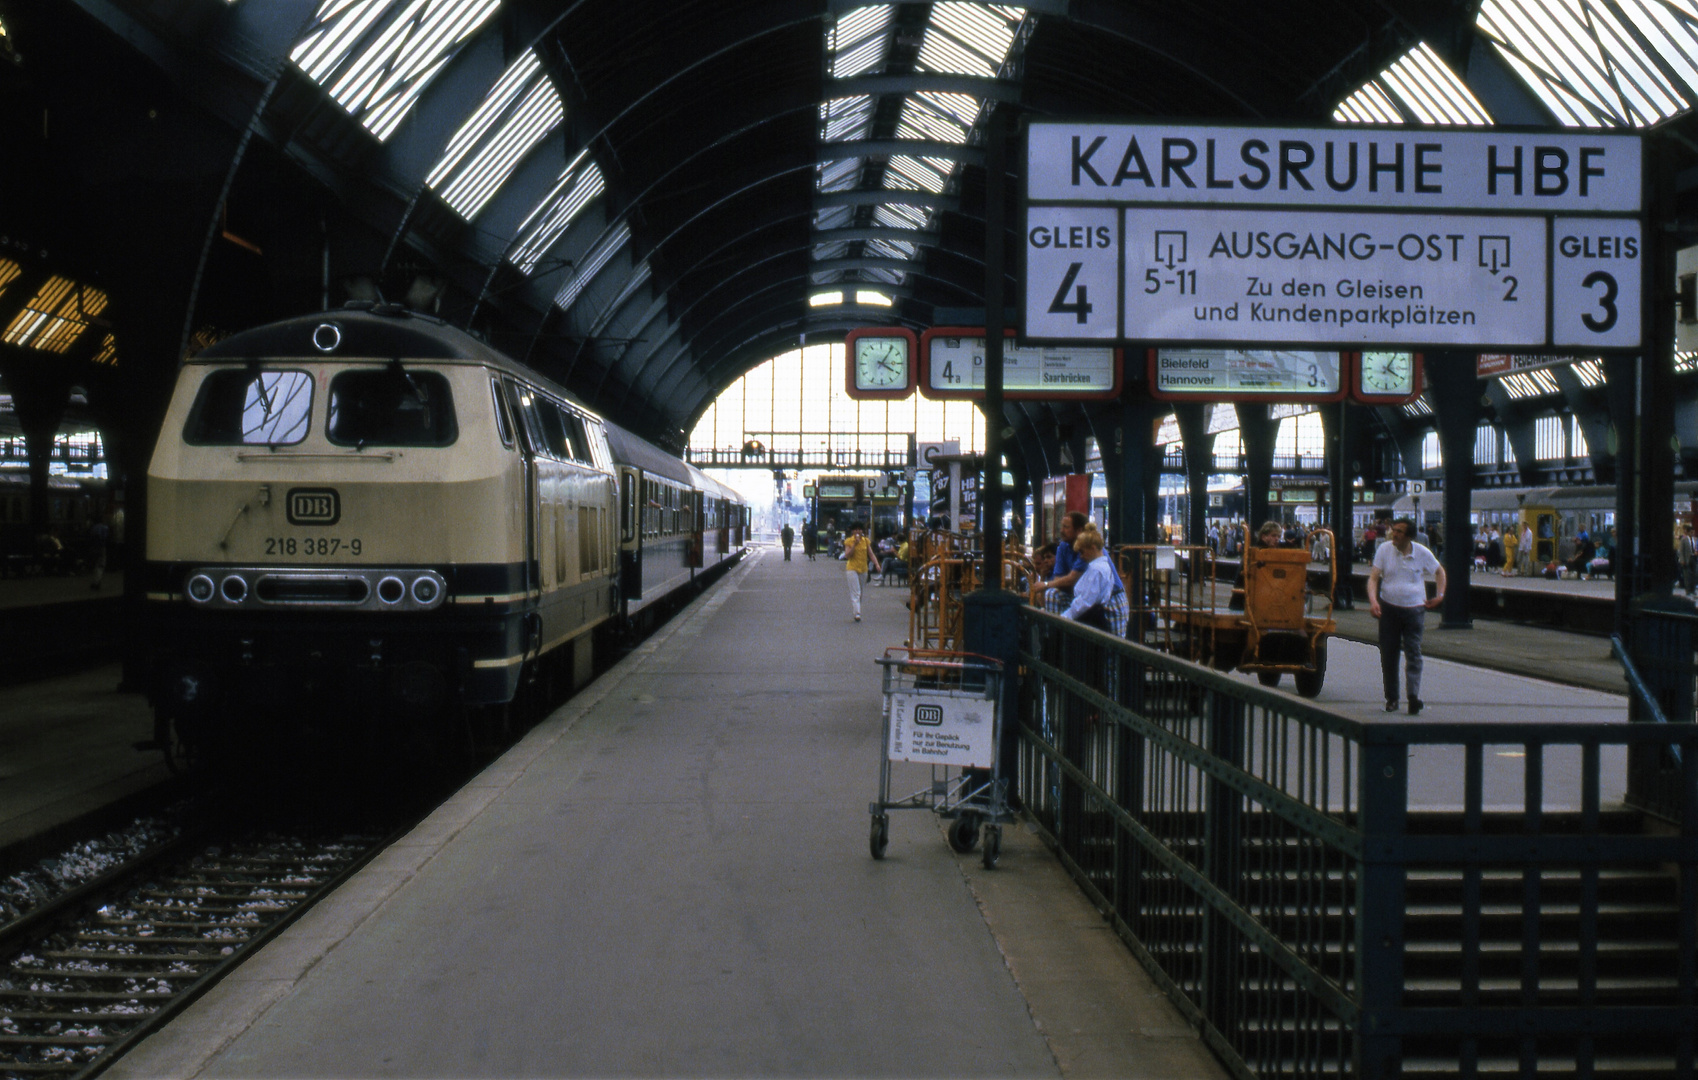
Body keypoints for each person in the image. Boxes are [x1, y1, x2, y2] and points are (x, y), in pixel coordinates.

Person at [1367, 517, 1446, 715]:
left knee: (1413, 652)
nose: (1395, 534)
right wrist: (1373, 601)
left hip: (1415, 609)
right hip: (1389, 608)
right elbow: (1374, 578)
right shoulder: (1384, 550)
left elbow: (1439, 571)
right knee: (1389, 653)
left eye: (1400, 531)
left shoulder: (1422, 552)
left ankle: (1413, 696)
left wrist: (1440, 595)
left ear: (1409, 536)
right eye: (1394, 530)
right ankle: (1392, 698)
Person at [1060, 527, 1127, 635]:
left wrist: (1066, 616)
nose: (1081, 557)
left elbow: (1087, 600)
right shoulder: (1099, 567)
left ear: (1093, 548)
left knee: (1113, 644)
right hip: (1109, 606)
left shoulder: (1096, 570)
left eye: (1082, 552)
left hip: (1104, 610)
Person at [1040, 511, 1089, 614]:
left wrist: (1045, 584)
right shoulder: (1063, 546)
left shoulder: (1087, 547)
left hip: (1102, 599)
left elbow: (1072, 579)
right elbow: (1058, 579)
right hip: (1077, 595)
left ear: (1079, 530)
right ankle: (1057, 629)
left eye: (1066, 527)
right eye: (1061, 527)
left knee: (1051, 594)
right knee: (1052, 594)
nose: (1061, 531)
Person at [842, 524, 871, 621]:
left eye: (860, 530)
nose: (858, 532)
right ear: (852, 531)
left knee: (860, 592)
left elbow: (870, 553)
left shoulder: (866, 541)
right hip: (852, 568)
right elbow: (847, 555)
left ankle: (857, 610)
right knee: (856, 591)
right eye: (856, 530)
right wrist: (854, 544)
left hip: (863, 568)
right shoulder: (849, 541)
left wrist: (877, 564)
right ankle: (857, 613)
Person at [88, 516, 111, 590]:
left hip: (94, 547)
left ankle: (95, 581)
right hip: (102, 547)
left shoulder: (93, 528)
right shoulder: (105, 527)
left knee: (95, 564)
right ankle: (96, 582)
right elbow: (107, 537)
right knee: (101, 565)